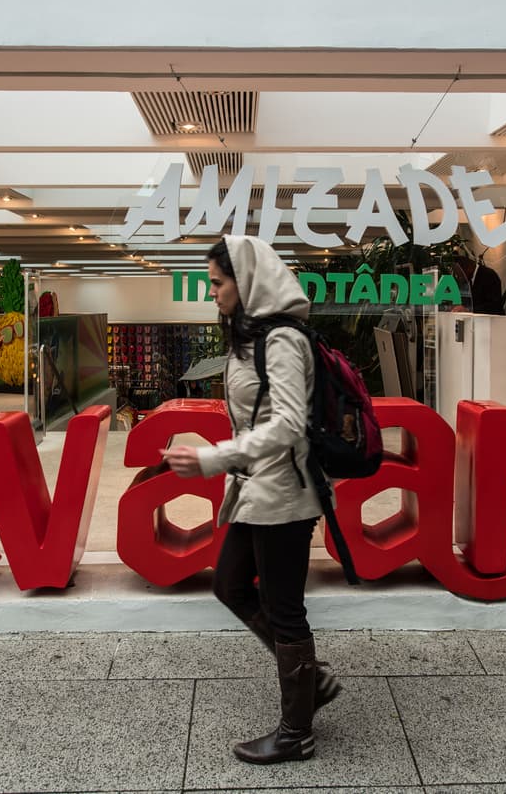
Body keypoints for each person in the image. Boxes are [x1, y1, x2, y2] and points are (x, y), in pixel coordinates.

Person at [160, 235, 340, 765]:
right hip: (257, 489)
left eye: (218, 282)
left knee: (285, 610)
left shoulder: (282, 339)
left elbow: (286, 423)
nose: (212, 292)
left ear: (248, 280)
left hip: (284, 494)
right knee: (230, 585)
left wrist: (215, 458)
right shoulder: (253, 335)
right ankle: (313, 683)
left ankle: (296, 733)